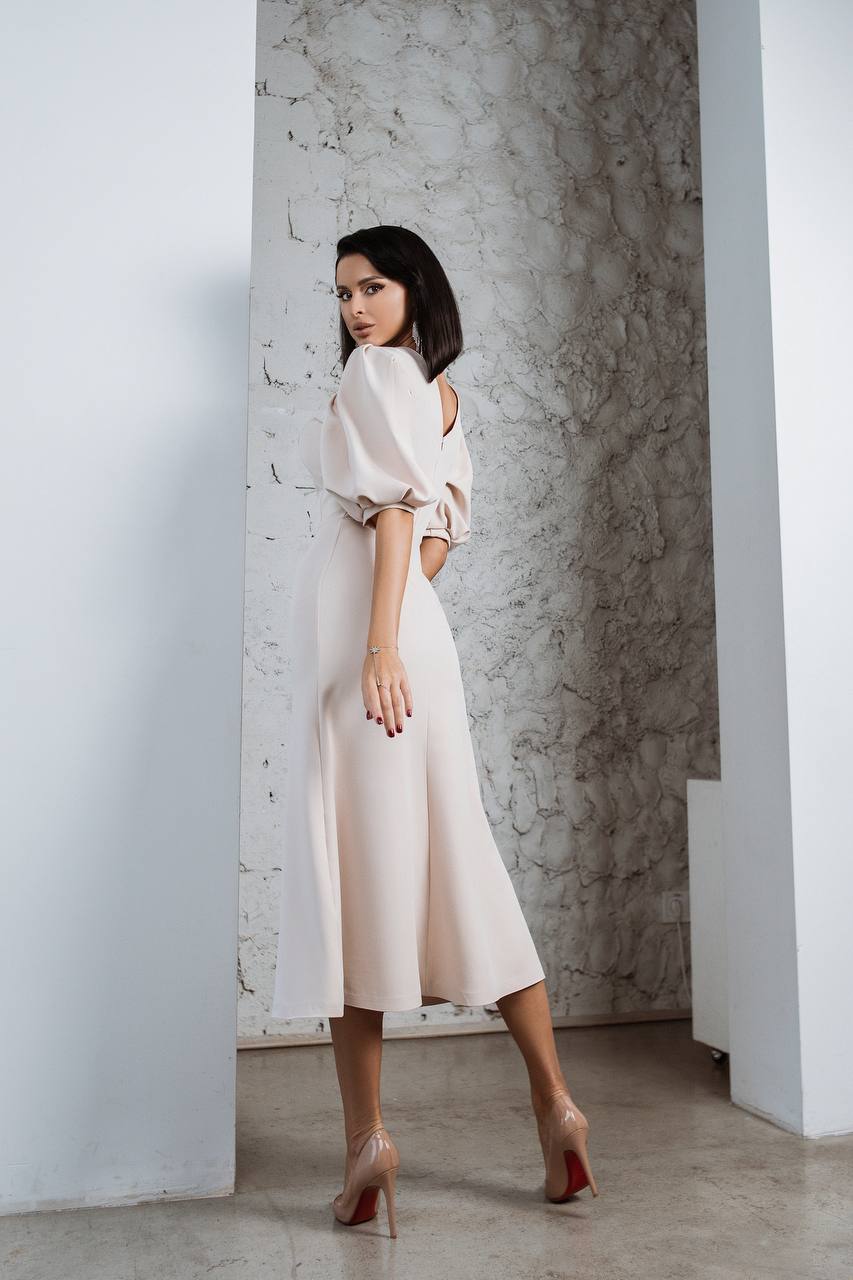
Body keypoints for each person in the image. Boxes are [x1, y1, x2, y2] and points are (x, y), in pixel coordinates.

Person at [271, 225, 598, 1237]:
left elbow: (398, 516)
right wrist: (404, 627)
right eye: (341, 294)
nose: (355, 310)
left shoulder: (375, 377)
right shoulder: (442, 397)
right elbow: (438, 534)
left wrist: (375, 647)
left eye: (373, 286)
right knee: (461, 861)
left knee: (352, 879)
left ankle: (366, 1138)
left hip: (371, 655)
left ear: (415, 291)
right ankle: (555, 1103)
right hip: (422, 641)